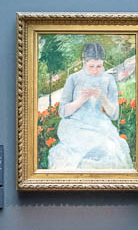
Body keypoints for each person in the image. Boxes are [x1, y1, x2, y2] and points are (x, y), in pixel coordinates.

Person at [48, 42, 133, 170]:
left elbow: (114, 114)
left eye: (99, 66)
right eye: (91, 66)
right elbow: (62, 112)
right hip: (76, 127)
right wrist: (80, 100)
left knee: (111, 149)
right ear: (84, 62)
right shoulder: (74, 79)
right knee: (79, 155)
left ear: (103, 63)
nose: (95, 71)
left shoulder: (108, 79)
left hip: (100, 126)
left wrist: (103, 98)